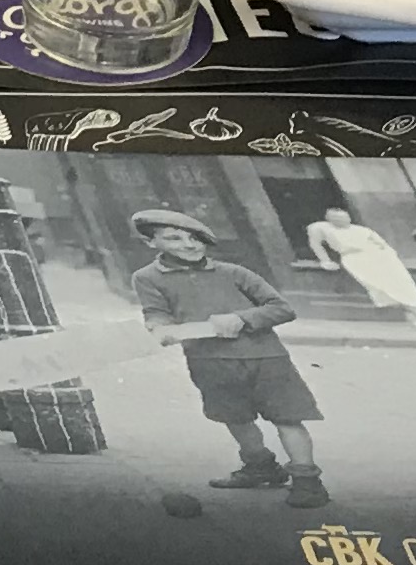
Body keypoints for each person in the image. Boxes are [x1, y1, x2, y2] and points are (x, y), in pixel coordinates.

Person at [126, 210, 326, 502]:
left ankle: (307, 481)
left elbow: (282, 308)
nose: (189, 245)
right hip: (209, 360)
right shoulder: (146, 278)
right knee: (234, 417)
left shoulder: (234, 272)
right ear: (151, 242)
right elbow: (156, 312)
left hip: (266, 358)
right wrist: (160, 328)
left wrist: (241, 318)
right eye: (174, 239)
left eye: (196, 238)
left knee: (287, 417)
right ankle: (260, 467)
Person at [305, 204, 416, 326]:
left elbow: (382, 244)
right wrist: (325, 260)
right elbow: (316, 244)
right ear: (329, 219)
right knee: (380, 284)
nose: (341, 220)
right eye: (336, 218)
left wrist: (389, 256)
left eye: (344, 217)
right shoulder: (324, 229)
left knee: (400, 281)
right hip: (355, 258)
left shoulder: (362, 230)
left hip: (379, 256)